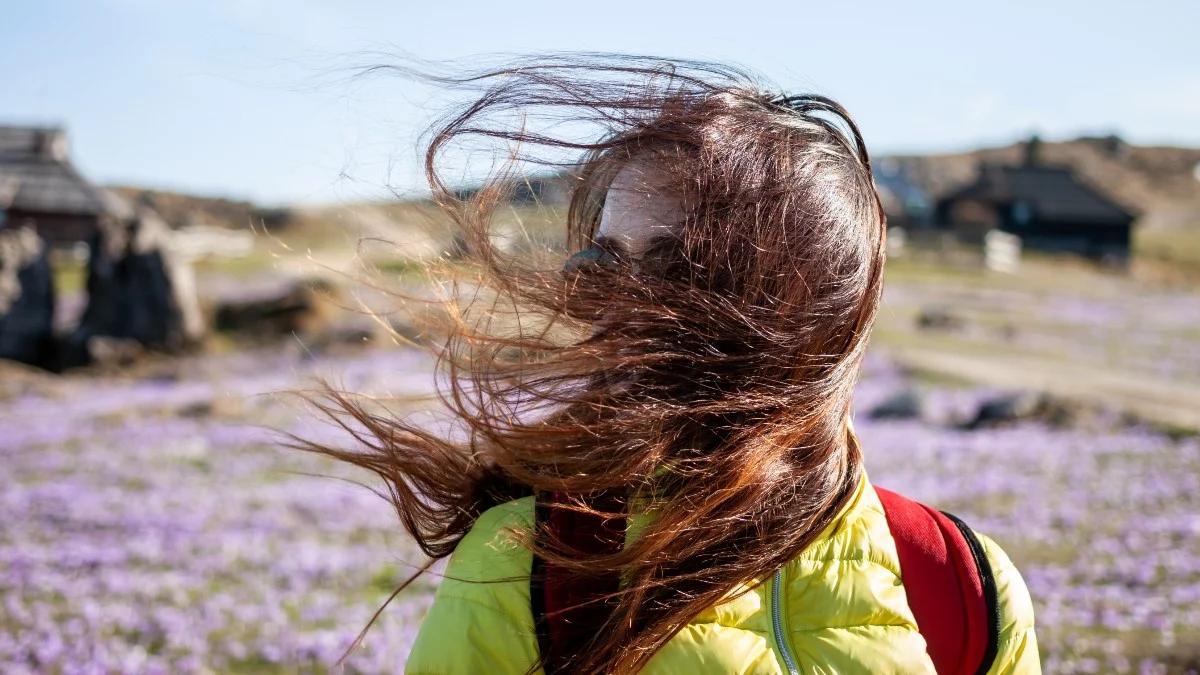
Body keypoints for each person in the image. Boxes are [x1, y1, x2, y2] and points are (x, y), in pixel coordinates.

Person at [307, 56, 1038, 674]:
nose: (622, 313)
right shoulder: (527, 564)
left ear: (812, 310)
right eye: (602, 268)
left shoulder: (966, 586)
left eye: (677, 272)